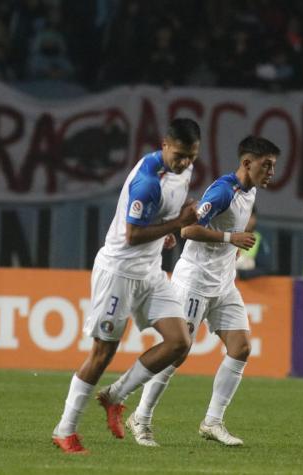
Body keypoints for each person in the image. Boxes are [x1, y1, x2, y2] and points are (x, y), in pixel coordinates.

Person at [51, 118, 201, 454]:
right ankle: (65, 430)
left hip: (149, 270)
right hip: (119, 272)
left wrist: (165, 233)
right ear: (164, 144)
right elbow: (132, 236)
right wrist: (177, 224)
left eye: (191, 156)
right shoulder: (148, 182)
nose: (185, 163)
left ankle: (115, 397)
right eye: (179, 155)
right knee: (102, 353)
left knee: (180, 342)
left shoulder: (183, 170)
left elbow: (161, 216)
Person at [126, 135, 279, 447]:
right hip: (194, 282)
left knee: (241, 348)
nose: (271, 172)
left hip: (223, 283)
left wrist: (229, 250)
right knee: (176, 353)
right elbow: (187, 230)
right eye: (267, 165)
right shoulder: (223, 190)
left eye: (274, 167)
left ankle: (212, 421)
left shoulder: (249, 192)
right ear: (247, 163)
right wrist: (229, 239)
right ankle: (140, 417)